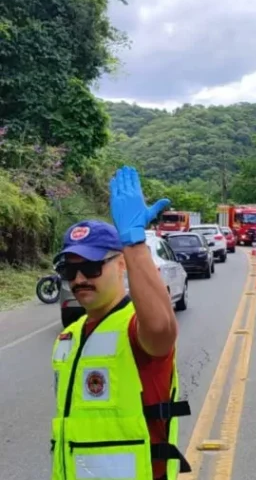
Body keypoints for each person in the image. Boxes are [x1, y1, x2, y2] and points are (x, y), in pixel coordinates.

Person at [49, 166, 191, 480]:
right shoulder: (69, 338)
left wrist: (135, 244)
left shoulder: (134, 328)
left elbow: (161, 329)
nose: (80, 278)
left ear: (121, 265)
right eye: (70, 271)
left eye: (92, 266)